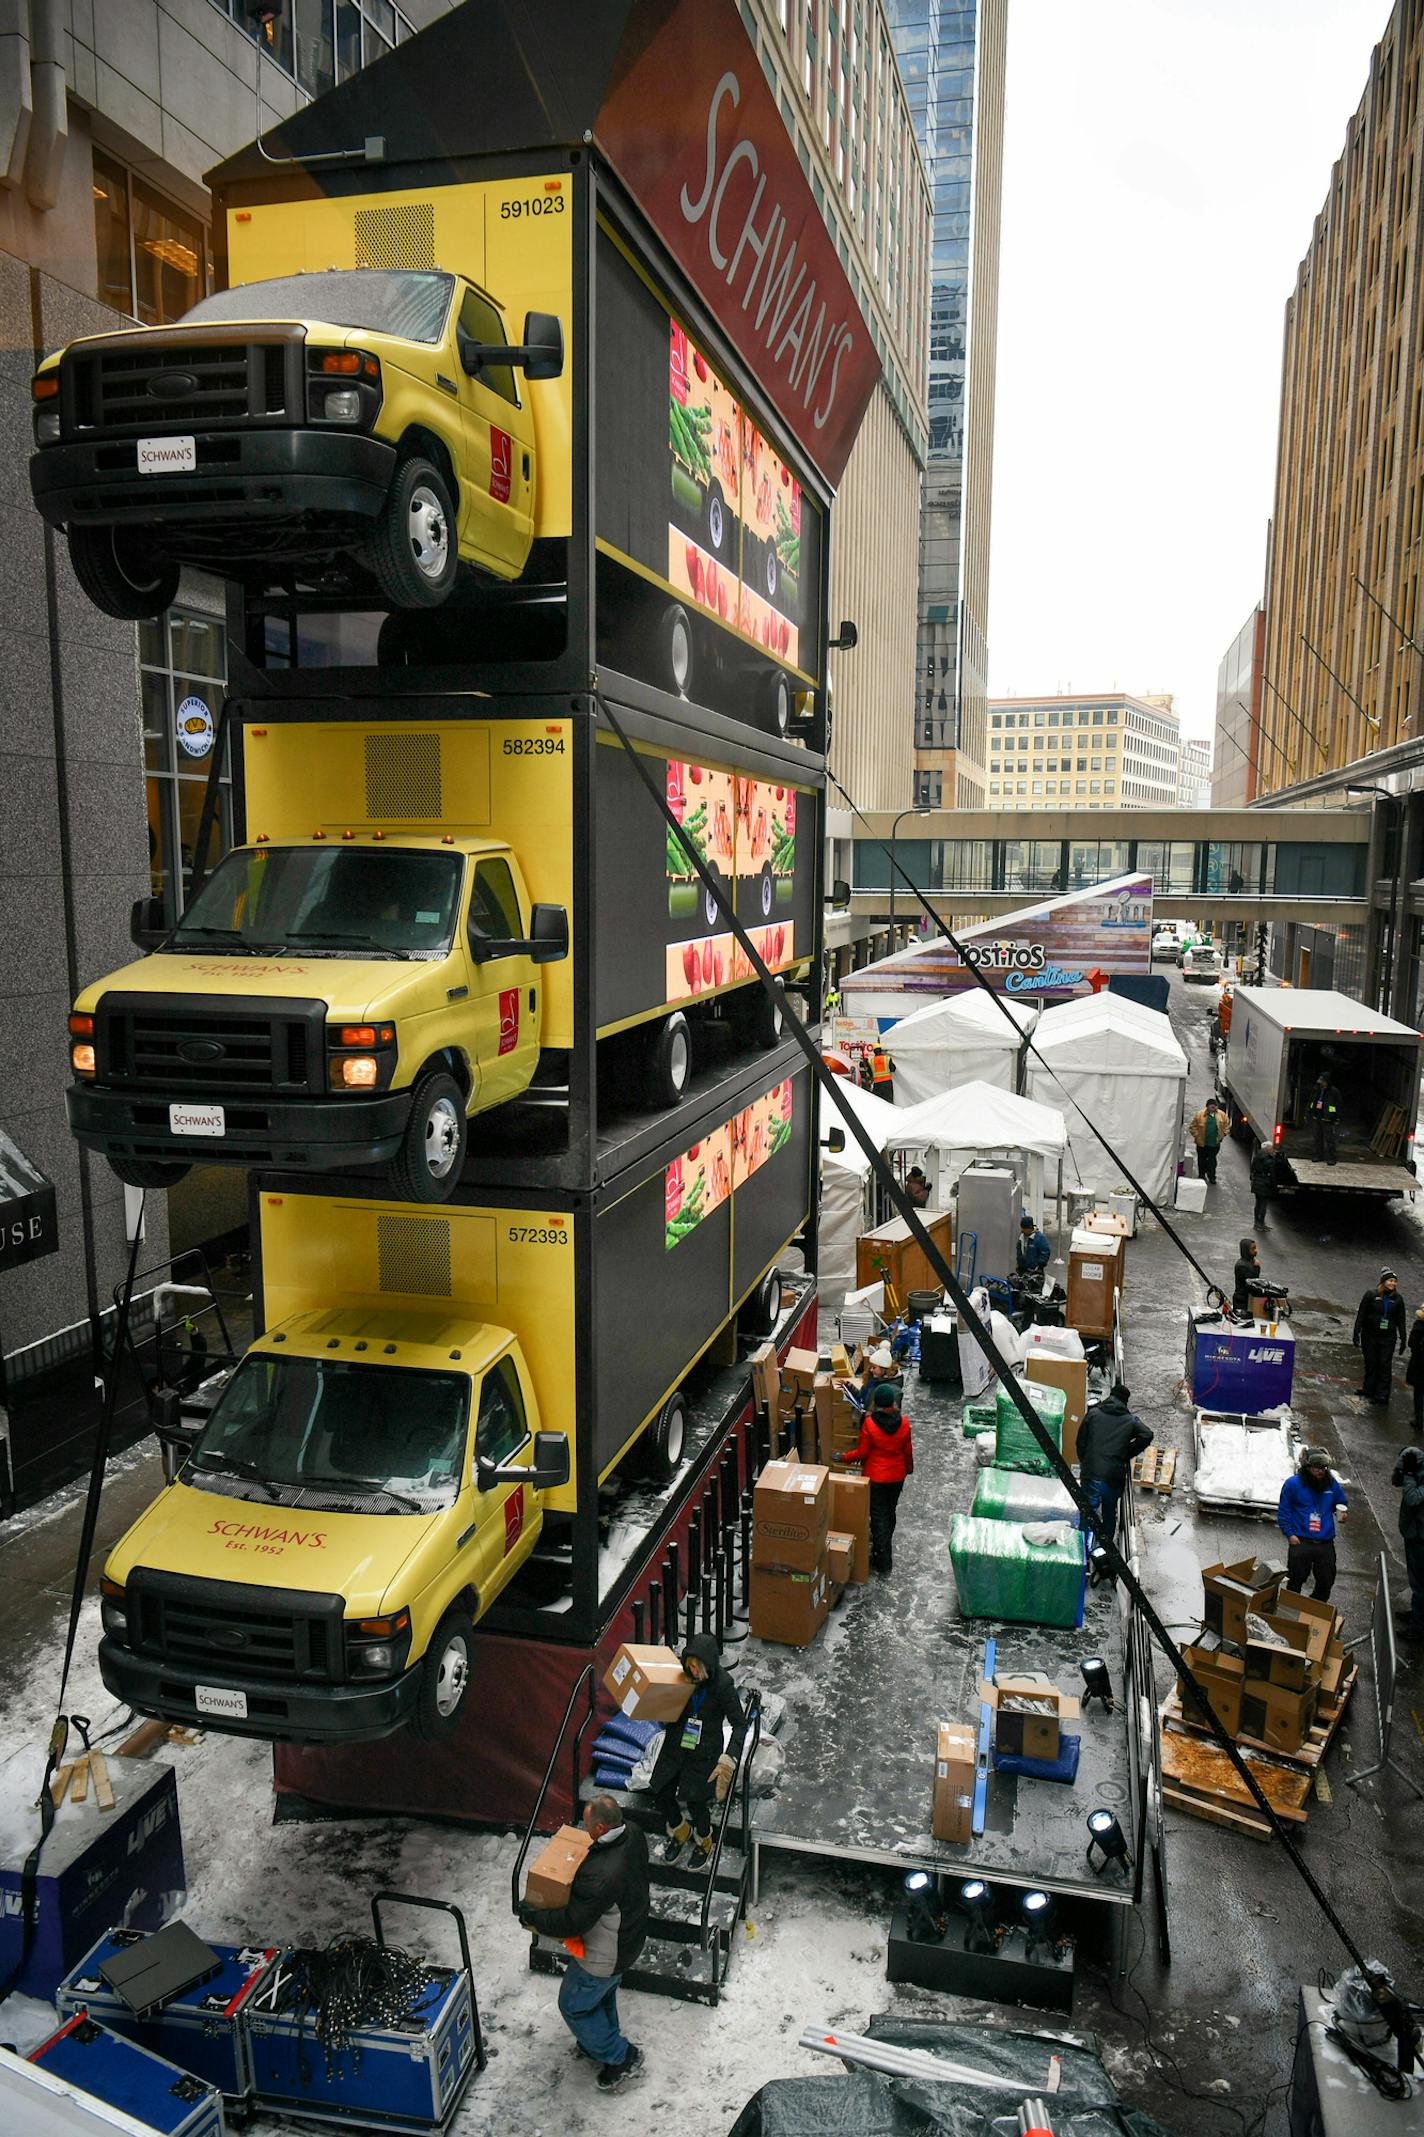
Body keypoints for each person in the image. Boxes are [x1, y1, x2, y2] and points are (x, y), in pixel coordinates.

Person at [517, 1794, 650, 2091]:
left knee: (574, 2004)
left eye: (589, 1825)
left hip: (604, 1955)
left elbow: (572, 1921)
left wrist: (534, 1917)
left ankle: (619, 2056)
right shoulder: (635, 1833)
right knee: (601, 1996)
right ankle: (602, 2041)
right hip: (629, 1936)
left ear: (601, 1828)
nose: (585, 1830)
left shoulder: (600, 1875)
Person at [649, 1633, 747, 1865]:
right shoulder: (681, 1678)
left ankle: (704, 1839)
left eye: (696, 1667)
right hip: (676, 1744)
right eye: (689, 1665)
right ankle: (679, 1829)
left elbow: (740, 1724)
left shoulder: (723, 1686)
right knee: (661, 1791)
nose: (692, 1671)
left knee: (696, 1802)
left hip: (704, 1752)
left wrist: (728, 1758)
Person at [842, 1381, 914, 1573]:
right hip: (897, 1477)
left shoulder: (870, 1424)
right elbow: (907, 1451)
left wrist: (843, 1457)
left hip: (876, 1478)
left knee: (878, 1516)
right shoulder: (904, 1423)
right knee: (890, 1512)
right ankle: (884, 1547)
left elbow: (862, 1453)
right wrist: (908, 1469)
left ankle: (883, 1558)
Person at [1077, 1382, 1152, 1543]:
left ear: (1110, 1396)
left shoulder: (1093, 1414)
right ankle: (1105, 1550)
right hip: (1113, 1477)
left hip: (1091, 1474)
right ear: (1125, 1401)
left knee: (1087, 1513)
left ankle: (1081, 1548)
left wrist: (1086, 1462)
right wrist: (1127, 1453)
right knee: (1109, 1514)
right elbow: (1147, 1435)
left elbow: (1080, 1443)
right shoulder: (1130, 1420)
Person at [1276, 1447, 1348, 1602]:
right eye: (1317, 1468)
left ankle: (1314, 1608)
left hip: (1325, 1542)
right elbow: (1284, 1511)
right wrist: (1290, 1534)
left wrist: (1342, 1512)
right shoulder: (1292, 1484)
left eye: (1323, 1468)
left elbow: (1340, 1502)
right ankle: (1291, 1610)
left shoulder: (1331, 1484)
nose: (1321, 1471)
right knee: (1295, 1580)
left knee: (1326, 1581)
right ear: (1307, 1467)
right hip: (1301, 1541)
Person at [1353, 1268, 1407, 1403]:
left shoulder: (1398, 1299)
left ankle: (1382, 1395)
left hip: (1387, 1337)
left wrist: (1403, 1339)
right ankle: (1368, 1389)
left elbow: (1401, 1320)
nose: (1392, 1284)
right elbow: (1361, 1315)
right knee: (1370, 1362)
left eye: (1394, 1281)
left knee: (1384, 1365)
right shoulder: (1371, 1295)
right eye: (1390, 1281)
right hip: (1369, 1335)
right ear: (1383, 1282)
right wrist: (1356, 1333)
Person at [1390, 1445, 1424, 1640]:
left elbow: (1412, 1498)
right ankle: (1417, 1614)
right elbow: (1396, 1481)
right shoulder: (1413, 1467)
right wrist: (1401, 1471)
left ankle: (1418, 1627)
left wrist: (1409, 1474)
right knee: (1416, 1580)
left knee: (1420, 1585)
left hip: (1421, 1538)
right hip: (1414, 1534)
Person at [1249, 1143, 1294, 1229]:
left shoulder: (1257, 1157)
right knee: (1263, 1205)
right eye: (1271, 1149)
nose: (1273, 1150)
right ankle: (1260, 1223)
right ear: (1267, 1149)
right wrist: (1275, 1185)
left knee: (1258, 1203)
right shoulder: (1269, 1160)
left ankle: (1257, 1222)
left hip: (1257, 1183)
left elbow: (1252, 1169)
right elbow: (1273, 1174)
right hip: (1265, 1184)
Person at [1187, 1097, 1225, 1185]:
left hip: (1214, 1144)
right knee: (1202, 1160)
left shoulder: (1221, 1115)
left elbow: (1226, 1126)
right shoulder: (1199, 1115)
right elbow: (1192, 1127)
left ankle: (1212, 1176)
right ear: (1207, 1107)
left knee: (1212, 1161)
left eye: (1215, 1107)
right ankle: (1202, 1175)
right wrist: (1197, 1136)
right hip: (1202, 1144)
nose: (1214, 1108)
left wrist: (1222, 1135)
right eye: (1212, 1107)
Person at [1308, 1069, 1342, 1164]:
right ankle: (1318, 1155)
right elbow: (1312, 1101)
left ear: (1326, 1081)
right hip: (1318, 1117)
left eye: (1322, 1080)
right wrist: (1311, 1112)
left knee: (1329, 1139)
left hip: (1328, 1118)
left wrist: (1336, 1117)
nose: (1320, 1082)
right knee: (1317, 1138)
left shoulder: (1334, 1092)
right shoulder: (1317, 1090)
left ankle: (1331, 1158)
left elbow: (1338, 1105)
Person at [1232, 1236, 1261, 1316]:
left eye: (1255, 1248)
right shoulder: (1242, 1265)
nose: (1256, 1251)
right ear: (1246, 1250)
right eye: (1253, 1249)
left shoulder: (1251, 1261)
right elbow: (1252, 1281)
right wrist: (1257, 1268)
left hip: (1248, 1300)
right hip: (1242, 1302)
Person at [1409, 1306, 1424, 1436]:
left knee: (1419, 1393)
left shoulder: (1419, 1326)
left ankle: (1419, 1419)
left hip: (1420, 1366)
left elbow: (1412, 1343)